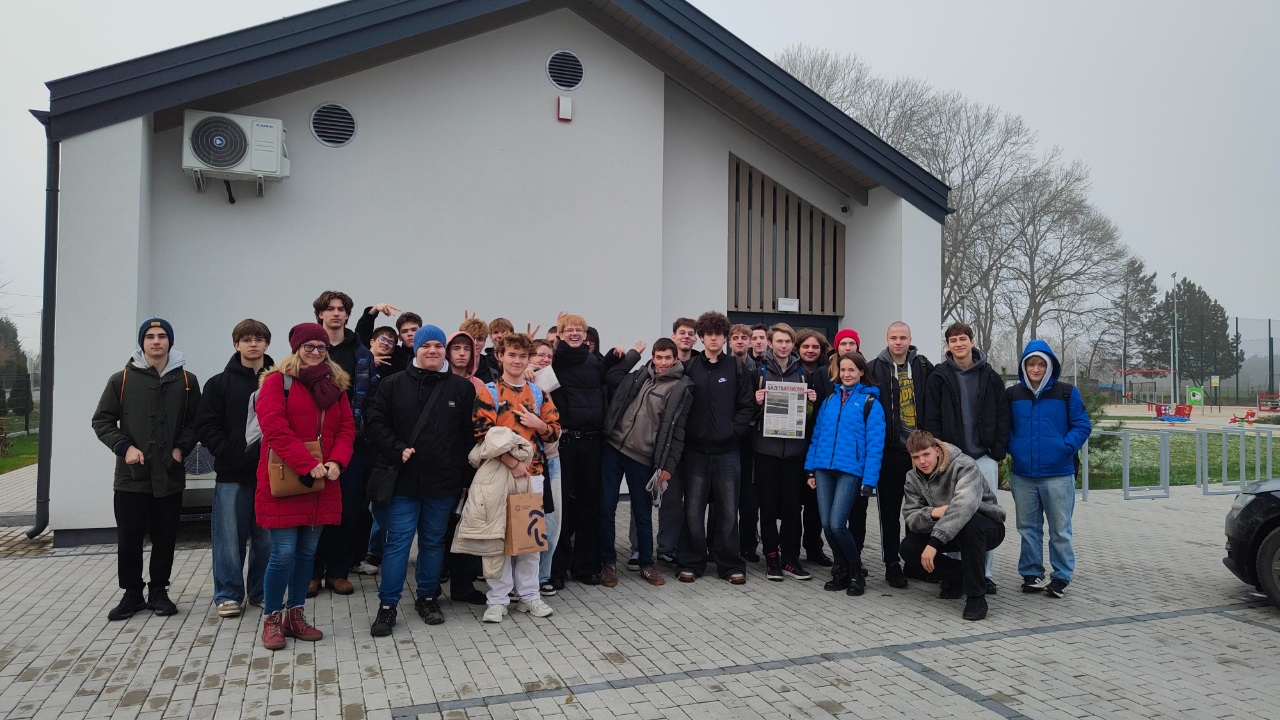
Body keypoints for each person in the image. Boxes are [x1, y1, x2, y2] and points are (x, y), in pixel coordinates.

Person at [365, 325, 478, 636]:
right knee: (398, 543)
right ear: (416, 349)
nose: (432, 350)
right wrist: (397, 448)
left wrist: (464, 478)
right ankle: (387, 605)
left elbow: (468, 437)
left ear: (444, 350)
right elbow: (375, 423)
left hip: (443, 483)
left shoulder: (461, 388)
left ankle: (427, 598)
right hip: (403, 481)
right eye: (426, 345)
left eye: (438, 346)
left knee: (433, 542)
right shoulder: (392, 384)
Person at [93, 318, 201, 621]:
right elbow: (102, 420)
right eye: (150, 336)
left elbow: (196, 422)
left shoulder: (187, 380)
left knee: (165, 537)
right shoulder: (122, 379)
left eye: (162, 336)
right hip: (131, 477)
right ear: (142, 342)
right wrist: (124, 447)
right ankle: (132, 594)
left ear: (170, 341)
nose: (156, 341)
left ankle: (158, 591)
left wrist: (180, 449)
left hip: (169, 474)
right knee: (129, 538)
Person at [254, 323, 355, 649]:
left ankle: (295, 616)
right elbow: (274, 428)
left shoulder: (336, 384)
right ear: (296, 348)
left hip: (323, 479)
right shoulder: (277, 381)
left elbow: (347, 428)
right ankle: (272, 619)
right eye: (308, 346)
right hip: (288, 477)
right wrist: (307, 463)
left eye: (321, 347)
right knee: (283, 553)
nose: (315, 352)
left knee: (307, 553)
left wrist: (337, 461)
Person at [472, 333, 561, 622]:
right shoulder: (489, 392)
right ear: (500, 356)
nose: (517, 360)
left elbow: (555, 431)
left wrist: (539, 424)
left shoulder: (539, 393)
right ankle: (497, 600)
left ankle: (529, 596)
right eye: (512, 354)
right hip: (499, 475)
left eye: (523, 356)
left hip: (532, 476)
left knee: (529, 540)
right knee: (498, 540)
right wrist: (511, 462)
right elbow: (481, 433)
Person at [920, 321, 1009, 594]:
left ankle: (984, 574)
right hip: (952, 460)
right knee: (953, 514)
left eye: (963, 339)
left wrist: (997, 451)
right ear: (947, 345)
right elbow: (931, 418)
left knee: (985, 516)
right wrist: (940, 454)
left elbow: (1003, 415)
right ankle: (956, 576)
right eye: (953, 340)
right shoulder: (938, 377)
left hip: (983, 457)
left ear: (972, 341)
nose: (958, 344)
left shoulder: (990, 377)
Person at [194, 319, 274, 619]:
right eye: (247, 339)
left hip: (271, 474)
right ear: (236, 344)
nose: (253, 344)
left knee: (267, 540)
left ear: (267, 344)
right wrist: (228, 450)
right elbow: (206, 425)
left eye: (259, 339)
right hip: (232, 473)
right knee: (229, 539)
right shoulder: (218, 384)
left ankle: (261, 592)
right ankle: (228, 594)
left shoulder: (280, 381)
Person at [599, 338, 693, 587]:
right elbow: (612, 375)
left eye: (668, 358)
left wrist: (668, 466)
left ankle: (647, 564)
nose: (663, 362)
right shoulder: (639, 375)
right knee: (606, 508)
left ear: (675, 359)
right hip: (613, 449)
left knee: (642, 513)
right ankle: (607, 562)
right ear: (653, 357)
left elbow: (677, 432)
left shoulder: (680, 387)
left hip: (642, 457)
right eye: (659, 357)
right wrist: (633, 355)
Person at [1006, 340, 1091, 598]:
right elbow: (1005, 427)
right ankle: (1031, 573)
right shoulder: (1013, 395)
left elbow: (1082, 425)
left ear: (1050, 366)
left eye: (1041, 364)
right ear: (1024, 366)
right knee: (1027, 528)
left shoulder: (1066, 393)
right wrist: (1015, 448)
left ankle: (1061, 577)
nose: (1036, 369)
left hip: (1058, 474)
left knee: (1060, 530)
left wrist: (1065, 447)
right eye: (1031, 364)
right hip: (1023, 475)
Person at [677, 312, 754, 584]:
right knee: (693, 510)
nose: (713, 338)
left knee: (728, 511)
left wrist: (732, 431)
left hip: (728, 451)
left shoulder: (735, 368)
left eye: (718, 334)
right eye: (708, 334)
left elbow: (746, 405)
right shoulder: (690, 368)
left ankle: (730, 564)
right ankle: (691, 562)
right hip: (695, 451)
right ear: (701, 337)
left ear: (724, 338)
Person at [310, 290, 377, 596]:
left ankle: (338, 571)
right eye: (330, 308)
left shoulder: (362, 353)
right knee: (313, 507)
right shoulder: (310, 351)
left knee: (347, 508)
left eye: (341, 309)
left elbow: (371, 395)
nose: (336, 313)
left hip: (352, 442)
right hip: (314, 442)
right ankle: (312, 571)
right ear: (320, 314)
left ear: (348, 315)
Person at [900, 431, 1005, 621]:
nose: (922, 461)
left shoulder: (964, 465)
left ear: (937, 451)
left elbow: (964, 506)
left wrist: (934, 543)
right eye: (916, 457)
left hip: (987, 525)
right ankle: (958, 575)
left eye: (926, 454)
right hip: (948, 530)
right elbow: (911, 517)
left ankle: (976, 597)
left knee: (971, 525)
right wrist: (933, 512)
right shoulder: (912, 477)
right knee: (908, 547)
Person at [804, 352, 885, 596]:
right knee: (827, 525)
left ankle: (856, 572)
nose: (847, 374)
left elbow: (875, 446)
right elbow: (817, 436)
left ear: (861, 372)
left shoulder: (870, 403)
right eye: (843, 370)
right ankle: (841, 570)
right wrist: (810, 469)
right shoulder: (829, 400)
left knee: (838, 524)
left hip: (850, 471)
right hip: (823, 470)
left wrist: (869, 481)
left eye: (852, 370)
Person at [549, 314, 620, 586]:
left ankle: (585, 566)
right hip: (565, 442)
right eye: (569, 330)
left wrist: (622, 357)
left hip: (592, 441)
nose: (575, 333)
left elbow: (607, 380)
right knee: (561, 507)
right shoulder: (554, 360)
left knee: (590, 503)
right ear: (561, 334)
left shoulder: (593, 362)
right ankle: (557, 569)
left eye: (579, 329)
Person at [863, 321, 933, 589]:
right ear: (887, 339)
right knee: (890, 512)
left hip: (919, 454)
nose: (898, 342)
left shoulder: (923, 367)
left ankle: (914, 563)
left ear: (910, 339)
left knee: (919, 511)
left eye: (903, 337)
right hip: (890, 452)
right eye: (893, 337)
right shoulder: (874, 368)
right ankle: (892, 563)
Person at [753, 323, 817, 581]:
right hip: (766, 451)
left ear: (793, 344)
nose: (783, 345)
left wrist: (810, 402)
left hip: (793, 453)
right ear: (770, 343)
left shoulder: (801, 374)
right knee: (768, 507)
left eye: (787, 341)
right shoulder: (758, 371)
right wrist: (756, 401)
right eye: (779, 341)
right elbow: (748, 412)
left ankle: (790, 558)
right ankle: (771, 557)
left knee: (792, 509)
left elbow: (808, 418)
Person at [794, 329, 833, 567]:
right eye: (806, 346)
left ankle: (813, 547)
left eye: (815, 347)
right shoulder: (790, 370)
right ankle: (789, 546)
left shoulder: (830, 372)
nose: (810, 350)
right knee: (792, 501)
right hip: (792, 443)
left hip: (819, 444)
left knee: (814, 502)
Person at [530, 339, 565, 596]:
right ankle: (524, 579)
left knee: (552, 524)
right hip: (527, 462)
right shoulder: (522, 384)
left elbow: (555, 428)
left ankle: (543, 576)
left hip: (552, 460)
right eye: (540, 355)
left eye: (549, 356)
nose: (545, 360)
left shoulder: (551, 385)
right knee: (526, 522)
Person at [728, 323, 760, 561]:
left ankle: (748, 545)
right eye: (735, 337)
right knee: (722, 498)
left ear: (750, 342)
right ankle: (717, 544)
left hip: (751, 440)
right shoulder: (722, 366)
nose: (740, 341)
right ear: (729, 341)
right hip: (726, 437)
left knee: (749, 498)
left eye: (744, 337)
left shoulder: (760, 371)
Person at [355, 303, 420, 375]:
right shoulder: (390, 354)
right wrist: (374, 310)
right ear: (400, 337)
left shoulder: (428, 354)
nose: (410, 334)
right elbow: (362, 334)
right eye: (404, 331)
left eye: (414, 330)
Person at [459, 316, 497, 384]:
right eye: (471, 338)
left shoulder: (493, 373)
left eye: (480, 339)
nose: (475, 343)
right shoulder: (453, 370)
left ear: (485, 341)